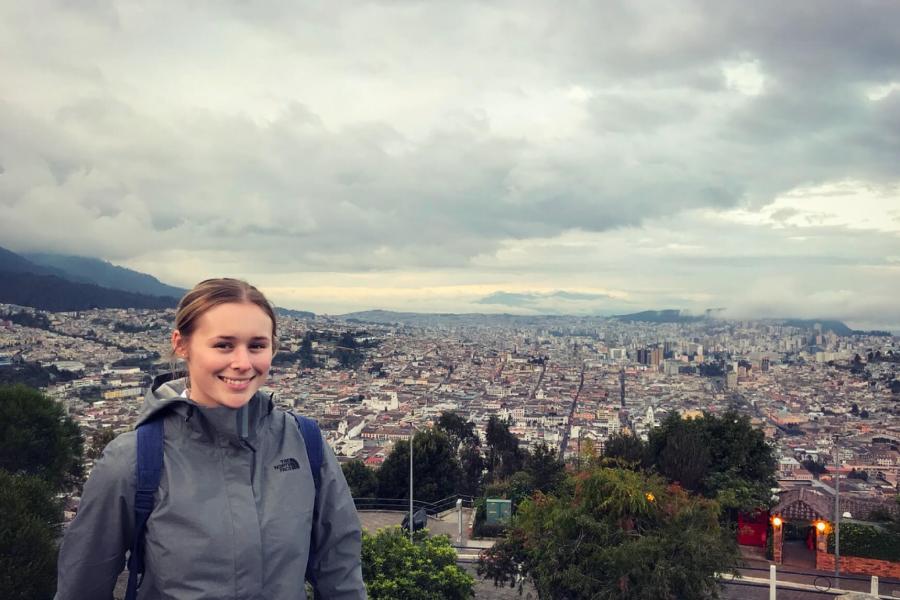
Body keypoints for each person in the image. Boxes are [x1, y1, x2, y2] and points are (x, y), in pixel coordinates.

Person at [56, 278, 366, 599]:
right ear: (181, 344)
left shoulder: (305, 443)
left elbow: (340, 573)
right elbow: (81, 587)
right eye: (223, 345)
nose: (242, 363)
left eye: (257, 346)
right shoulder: (133, 460)